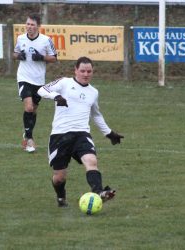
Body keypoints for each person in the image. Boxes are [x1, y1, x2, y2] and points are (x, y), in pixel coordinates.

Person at [37, 56, 124, 207]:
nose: (86, 74)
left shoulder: (93, 92)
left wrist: (109, 133)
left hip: (81, 134)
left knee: (91, 161)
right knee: (59, 177)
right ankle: (61, 197)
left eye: (89, 71)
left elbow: (96, 114)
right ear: (75, 70)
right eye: (82, 71)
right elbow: (41, 90)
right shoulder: (64, 82)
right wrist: (56, 96)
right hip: (60, 136)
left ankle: (98, 192)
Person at [14, 13, 57, 153]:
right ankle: (30, 139)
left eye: (32, 25)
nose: (29, 27)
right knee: (29, 107)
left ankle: (27, 133)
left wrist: (42, 57)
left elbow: (54, 58)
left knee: (33, 110)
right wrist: (19, 56)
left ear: (38, 26)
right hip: (23, 77)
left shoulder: (46, 40)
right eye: (27, 24)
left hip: (38, 80)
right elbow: (14, 54)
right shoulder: (21, 38)